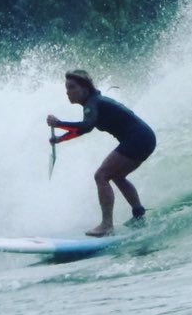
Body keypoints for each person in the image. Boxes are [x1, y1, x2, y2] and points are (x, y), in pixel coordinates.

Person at [47, 69, 156, 237]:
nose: (67, 92)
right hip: (145, 138)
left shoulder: (93, 103)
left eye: (71, 87)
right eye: (67, 88)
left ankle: (106, 225)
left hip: (138, 139)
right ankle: (138, 215)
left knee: (101, 175)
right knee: (117, 176)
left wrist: (59, 123)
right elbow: (84, 130)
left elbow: (86, 126)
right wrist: (60, 139)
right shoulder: (92, 103)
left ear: (85, 88)